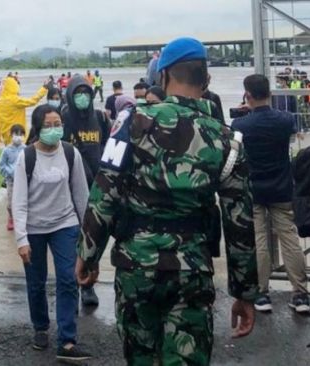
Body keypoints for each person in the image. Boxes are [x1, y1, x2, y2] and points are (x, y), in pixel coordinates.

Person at [80, 37, 258, 365]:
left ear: (162, 78)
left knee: (141, 357)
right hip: (193, 270)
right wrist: (245, 292)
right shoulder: (227, 139)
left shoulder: (130, 123)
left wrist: (88, 255)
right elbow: (240, 222)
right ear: (206, 80)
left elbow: (105, 190)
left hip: (137, 267)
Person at [13, 105, 91, 363]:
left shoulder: (71, 153)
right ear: (37, 127)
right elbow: (19, 201)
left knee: (68, 279)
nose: (55, 129)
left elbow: (81, 194)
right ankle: (41, 327)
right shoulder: (27, 157)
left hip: (65, 224)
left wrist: (87, 232)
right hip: (34, 227)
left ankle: (67, 340)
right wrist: (21, 238)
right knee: (36, 282)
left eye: (58, 123)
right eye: (48, 125)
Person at [231, 74, 309, 313]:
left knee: (260, 240)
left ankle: (261, 293)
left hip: (253, 187)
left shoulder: (240, 125)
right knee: (289, 238)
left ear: (248, 95)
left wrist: (246, 113)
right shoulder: (285, 120)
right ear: (270, 93)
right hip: (281, 186)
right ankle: (300, 295)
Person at [61, 74, 111, 306]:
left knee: (93, 238)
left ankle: (89, 285)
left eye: (86, 93)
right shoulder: (62, 119)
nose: (82, 98)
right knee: (72, 239)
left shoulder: (100, 118)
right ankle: (74, 282)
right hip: (69, 189)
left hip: (96, 188)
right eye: (77, 93)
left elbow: (110, 148)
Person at [0, 77, 48, 147]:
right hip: (19, 136)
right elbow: (33, 101)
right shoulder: (15, 100)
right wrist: (44, 88)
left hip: (6, 138)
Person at [0, 124, 26, 231]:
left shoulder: (26, 149)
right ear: (11, 135)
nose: (18, 137)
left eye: (20, 134)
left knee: (24, 201)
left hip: (23, 181)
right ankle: (11, 217)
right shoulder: (7, 150)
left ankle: (22, 219)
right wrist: (9, 173)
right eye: (15, 134)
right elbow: (1, 165)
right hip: (11, 181)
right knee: (10, 201)